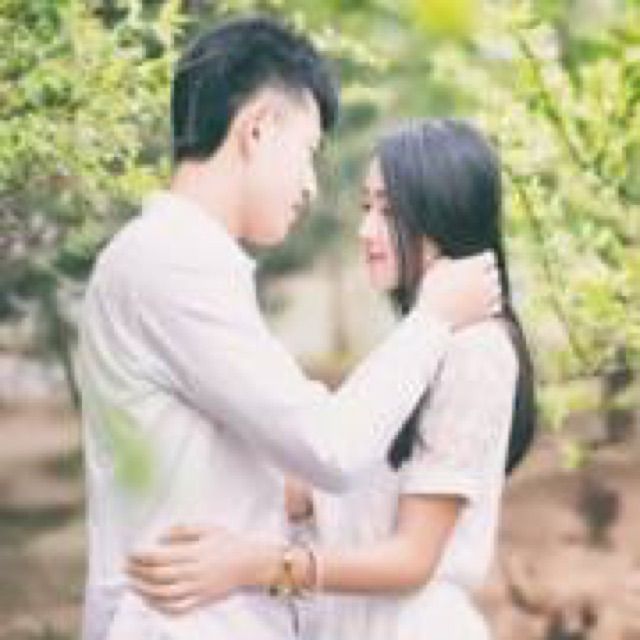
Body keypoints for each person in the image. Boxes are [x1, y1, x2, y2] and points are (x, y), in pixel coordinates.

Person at [77, 13, 501, 640]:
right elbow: (331, 447)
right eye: (307, 153)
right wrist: (433, 319)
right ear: (258, 130)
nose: (309, 186)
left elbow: (279, 469)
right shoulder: (172, 264)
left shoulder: (179, 261)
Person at [127, 119, 536, 639]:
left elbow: (413, 560)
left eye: (390, 212)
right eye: (367, 207)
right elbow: (332, 484)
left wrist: (257, 565)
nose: (366, 231)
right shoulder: (420, 345)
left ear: (445, 215)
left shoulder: (475, 351)